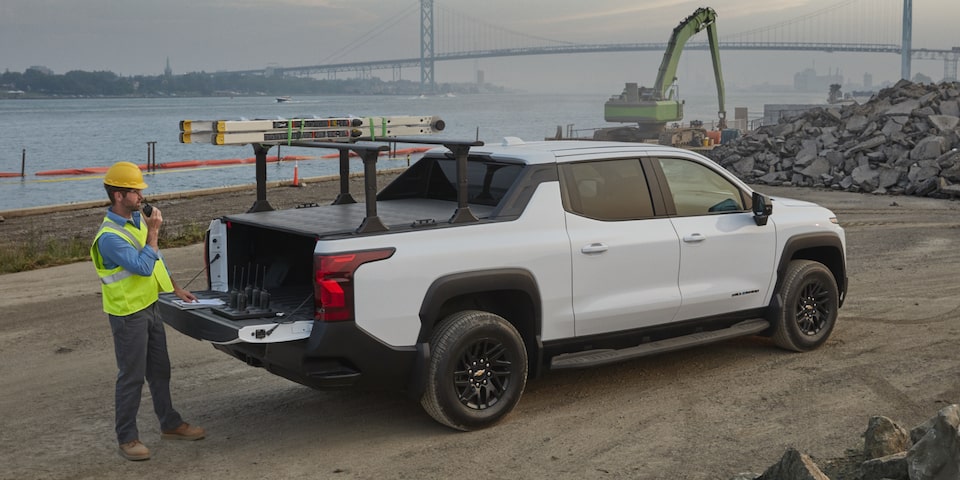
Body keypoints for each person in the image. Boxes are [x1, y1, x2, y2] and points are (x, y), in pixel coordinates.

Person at [90, 161, 205, 461]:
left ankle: (170, 423)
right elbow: (142, 265)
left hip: (151, 307)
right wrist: (154, 232)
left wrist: (175, 288)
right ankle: (127, 439)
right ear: (118, 196)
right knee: (131, 376)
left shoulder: (136, 221)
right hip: (127, 313)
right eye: (136, 191)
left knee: (160, 369)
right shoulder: (109, 237)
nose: (141, 196)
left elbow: (156, 260)